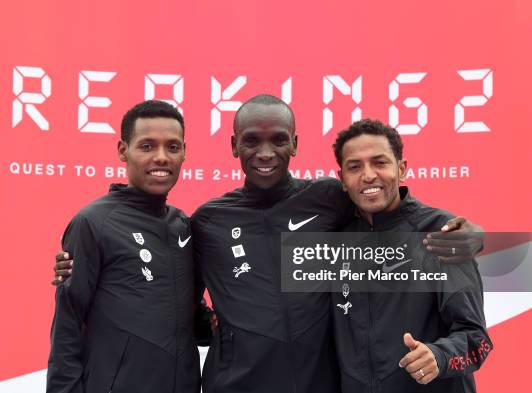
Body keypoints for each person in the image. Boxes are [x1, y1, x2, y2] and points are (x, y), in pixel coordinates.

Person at [53, 95, 484, 393]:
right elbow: (172, 294)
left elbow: (392, 218)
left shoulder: (332, 199)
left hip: (323, 384)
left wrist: (473, 237)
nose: (265, 151)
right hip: (233, 384)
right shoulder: (204, 221)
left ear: (295, 144)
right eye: (252, 140)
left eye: (278, 139)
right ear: (233, 145)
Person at [47, 100, 202, 393]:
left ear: (184, 152)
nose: (161, 157)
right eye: (147, 146)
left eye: (172, 147)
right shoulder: (93, 222)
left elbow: (191, 317)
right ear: (123, 151)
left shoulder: (184, 225)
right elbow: (67, 327)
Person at [329, 119, 491, 392]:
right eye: (354, 167)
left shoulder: (443, 233)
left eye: (380, 163)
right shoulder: (332, 241)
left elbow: (478, 341)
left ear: (402, 169)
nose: (368, 175)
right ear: (342, 180)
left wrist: (439, 357)